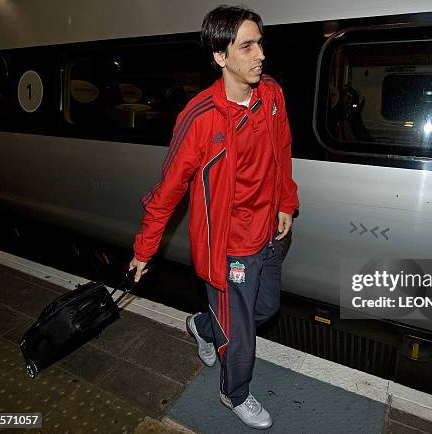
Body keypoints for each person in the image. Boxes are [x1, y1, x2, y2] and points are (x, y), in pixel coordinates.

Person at [128, 5, 299, 430]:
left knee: (266, 308)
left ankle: (203, 326)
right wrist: (145, 249)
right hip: (229, 246)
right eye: (247, 46)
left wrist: (285, 203)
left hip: (269, 235)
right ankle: (233, 392)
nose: (260, 54)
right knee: (240, 337)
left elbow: (282, 150)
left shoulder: (272, 94)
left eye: (260, 42)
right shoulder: (200, 119)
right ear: (220, 57)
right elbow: (166, 192)